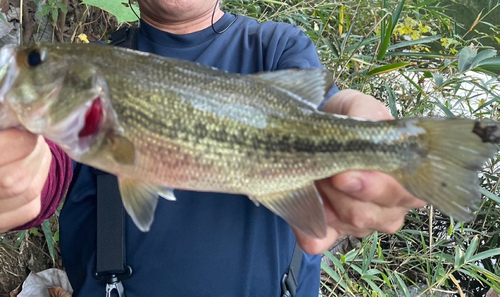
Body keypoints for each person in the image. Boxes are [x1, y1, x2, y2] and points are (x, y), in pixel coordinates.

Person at [0, 0, 426, 296]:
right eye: (35, 59)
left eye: (35, 60)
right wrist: (16, 183)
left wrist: (365, 131)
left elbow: (321, 107)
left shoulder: (278, 47)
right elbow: (47, 168)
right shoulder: (93, 76)